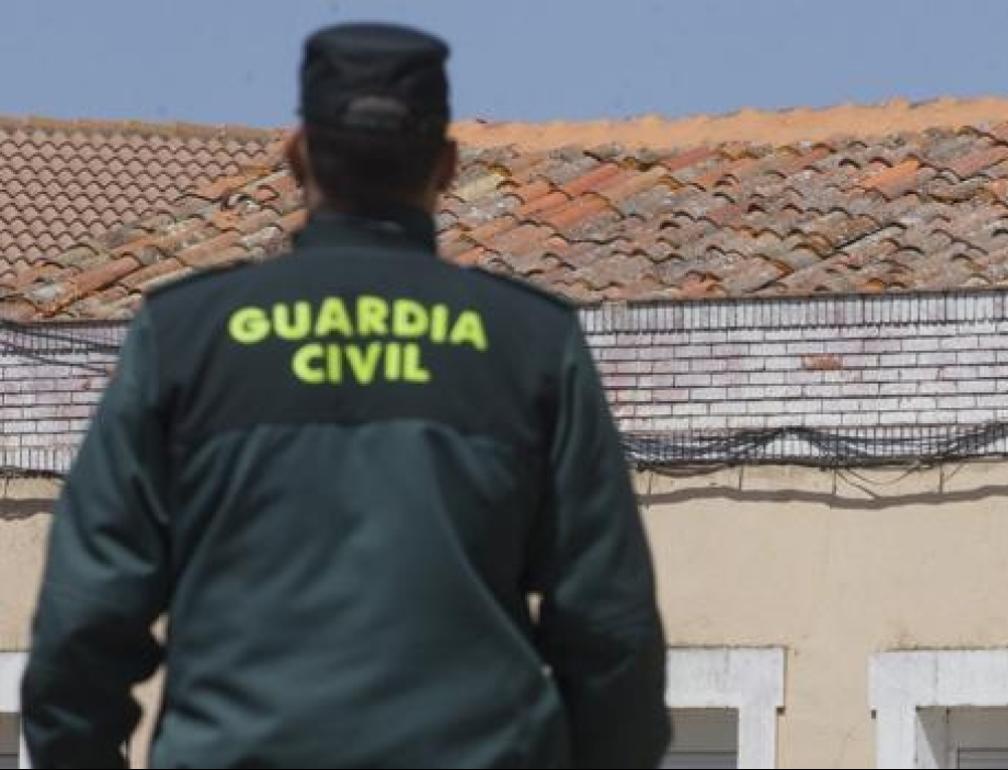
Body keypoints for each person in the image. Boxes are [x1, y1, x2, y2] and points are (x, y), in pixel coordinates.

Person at [22, 22, 670, 769]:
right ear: (448, 165)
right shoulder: (530, 342)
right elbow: (612, 635)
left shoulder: (185, 338)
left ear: (297, 155)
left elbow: (81, 628)